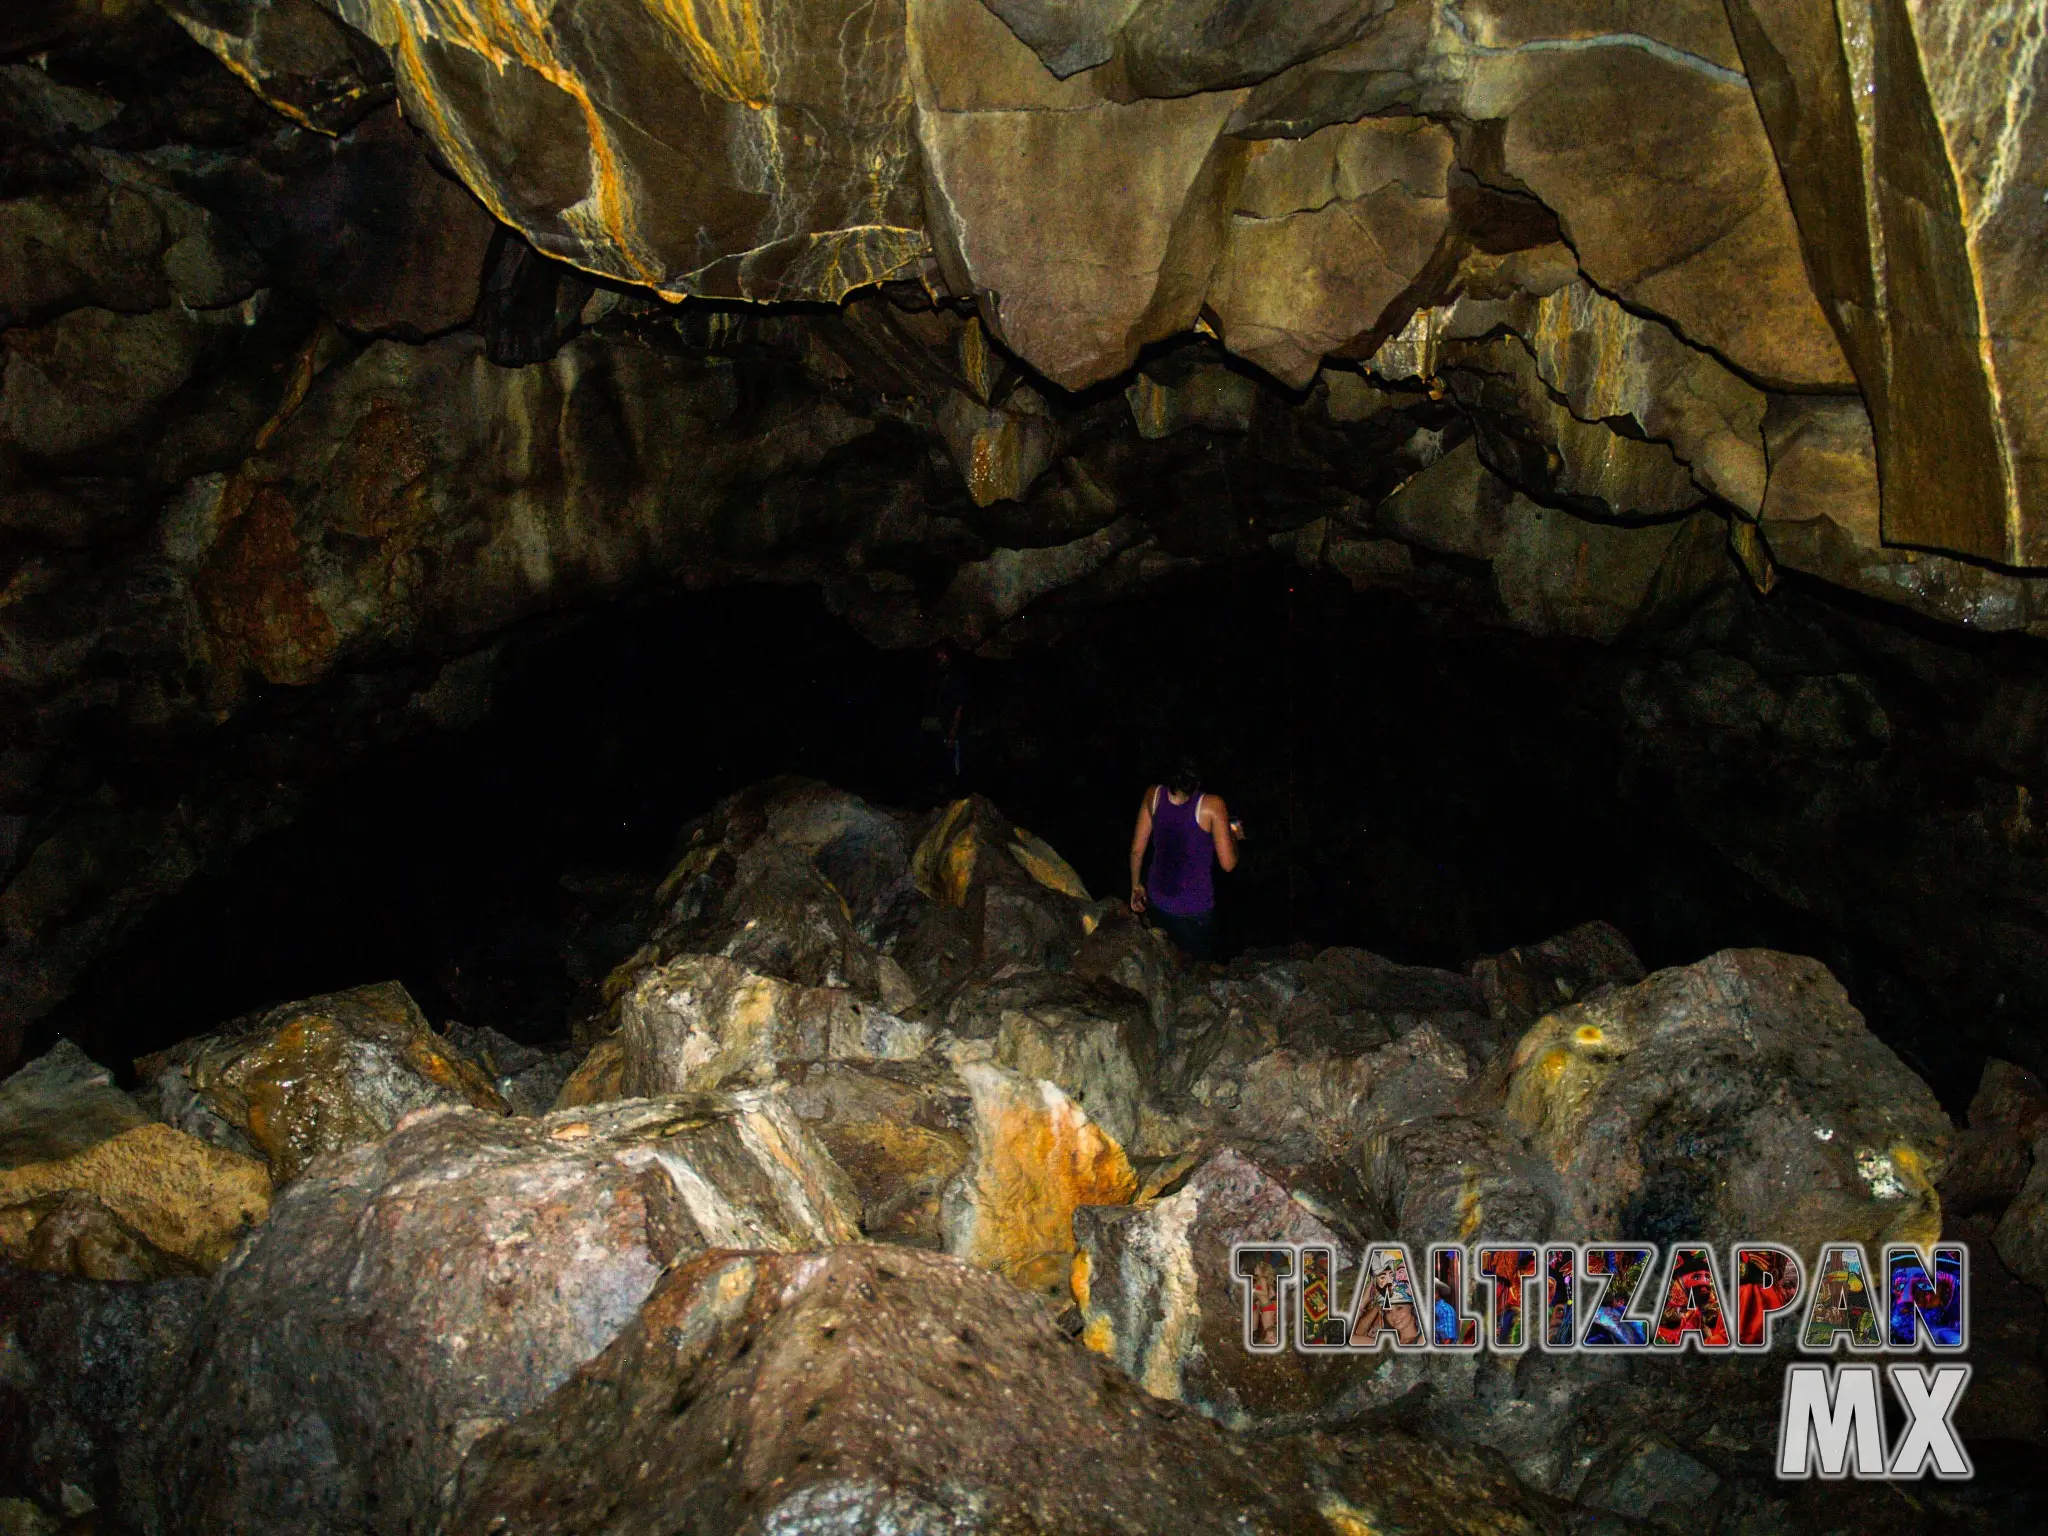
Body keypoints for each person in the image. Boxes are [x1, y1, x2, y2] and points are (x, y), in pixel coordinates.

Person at [1128, 760, 1240, 961]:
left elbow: (1137, 851)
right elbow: (1228, 864)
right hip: (1194, 912)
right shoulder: (1213, 805)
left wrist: (1136, 886)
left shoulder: (1153, 795)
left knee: (1164, 961)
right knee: (1200, 970)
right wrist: (1234, 834)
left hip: (1157, 903)